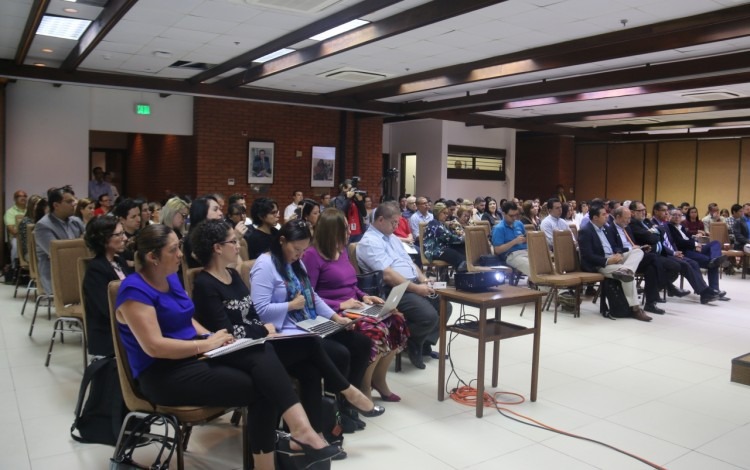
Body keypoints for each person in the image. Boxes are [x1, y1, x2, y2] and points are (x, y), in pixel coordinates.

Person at [114, 224, 341, 470]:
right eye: (174, 249)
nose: (181, 254)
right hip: (162, 374)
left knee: (260, 355)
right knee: (263, 383)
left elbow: (186, 317)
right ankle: (293, 439)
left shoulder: (170, 279)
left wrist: (212, 336)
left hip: (192, 357)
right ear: (152, 257)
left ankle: (296, 435)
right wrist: (205, 344)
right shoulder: (134, 289)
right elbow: (154, 347)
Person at [190, 220, 383, 444]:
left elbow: (255, 313)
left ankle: (318, 433)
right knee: (316, 346)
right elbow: (234, 326)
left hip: (267, 336)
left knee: (315, 368)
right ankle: (346, 394)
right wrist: (271, 321)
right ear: (217, 248)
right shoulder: (215, 280)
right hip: (248, 344)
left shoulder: (232, 275)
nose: (238, 245)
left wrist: (334, 317)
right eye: (233, 242)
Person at [251, 221, 374, 420]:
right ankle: (343, 403)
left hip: (308, 323)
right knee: (338, 354)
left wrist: (335, 317)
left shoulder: (296, 263)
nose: (299, 255)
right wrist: (290, 305)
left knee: (362, 343)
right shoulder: (265, 265)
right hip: (285, 331)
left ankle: (346, 407)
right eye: (296, 249)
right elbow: (259, 311)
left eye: (303, 250)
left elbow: (312, 296)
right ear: (282, 241)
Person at [302, 209, 409, 402]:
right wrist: (340, 304)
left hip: (355, 306)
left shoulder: (341, 250)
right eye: (344, 228)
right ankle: (364, 387)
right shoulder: (312, 256)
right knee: (375, 331)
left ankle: (379, 379)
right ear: (331, 230)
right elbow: (309, 296)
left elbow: (352, 283)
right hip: (333, 312)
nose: (349, 232)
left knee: (396, 320)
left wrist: (365, 296)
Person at [357, 202, 447, 370]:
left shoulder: (392, 238)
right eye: (394, 223)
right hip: (392, 290)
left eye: (398, 222)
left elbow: (410, 263)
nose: (397, 226)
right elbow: (388, 275)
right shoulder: (369, 242)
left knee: (444, 306)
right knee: (428, 316)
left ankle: (423, 341)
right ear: (381, 220)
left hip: (411, 283)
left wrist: (423, 279)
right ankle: (411, 342)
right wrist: (417, 289)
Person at [579, 204, 650, 321]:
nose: (607, 216)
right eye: (603, 214)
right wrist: (608, 260)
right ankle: (636, 309)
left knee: (638, 252)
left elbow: (614, 246)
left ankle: (625, 270)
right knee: (628, 275)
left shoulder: (605, 228)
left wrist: (617, 254)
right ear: (595, 217)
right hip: (601, 264)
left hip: (614, 259)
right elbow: (587, 256)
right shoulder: (586, 231)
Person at [82, 216, 132, 357]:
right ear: (103, 239)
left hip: (124, 323)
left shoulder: (119, 260)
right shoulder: (95, 270)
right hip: (108, 334)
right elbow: (107, 309)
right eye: (119, 234)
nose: (125, 238)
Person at [35, 186, 85, 294]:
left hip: (78, 269)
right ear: (56, 205)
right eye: (69, 201)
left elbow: (90, 243)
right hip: (57, 275)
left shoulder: (75, 221)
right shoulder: (43, 226)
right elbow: (58, 255)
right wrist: (80, 244)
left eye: (74, 200)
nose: (74, 204)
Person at [184, 196, 229, 268]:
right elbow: (219, 266)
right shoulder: (193, 241)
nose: (220, 213)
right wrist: (230, 241)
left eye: (220, 209)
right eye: (215, 210)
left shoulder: (218, 235)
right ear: (202, 213)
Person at [422, 202, 466, 270]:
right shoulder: (434, 224)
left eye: (447, 213)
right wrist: (463, 239)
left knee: (463, 249)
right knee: (459, 258)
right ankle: (462, 277)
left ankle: (464, 271)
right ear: (437, 213)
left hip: (443, 248)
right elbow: (449, 238)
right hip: (435, 251)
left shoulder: (440, 224)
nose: (446, 215)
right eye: (444, 213)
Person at [490, 201, 530, 276]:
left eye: (516, 215)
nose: (514, 218)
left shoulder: (519, 223)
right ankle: (543, 285)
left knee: (542, 264)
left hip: (525, 251)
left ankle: (538, 283)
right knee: (532, 267)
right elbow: (497, 250)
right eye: (511, 216)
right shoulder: (499, 228)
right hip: (511, 255)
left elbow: (525, 238)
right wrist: (514, 242)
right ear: (504, 214)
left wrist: (526, 239)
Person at [5, 190, 28, 279]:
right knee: (15, 245)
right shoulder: (10, 212)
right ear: (15, 199)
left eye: (25, 196)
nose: (23, 198)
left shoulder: (29, 210)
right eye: (20, 196)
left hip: (30, 237)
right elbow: (11, 229)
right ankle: (14, 268)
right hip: (17, 238)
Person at [17, 195, 43, 265]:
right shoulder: (25, 222)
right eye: (38, 205)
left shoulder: (41, 220)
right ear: (32, 206)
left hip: (40, 250)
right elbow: (28, 245)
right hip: (30, 253)